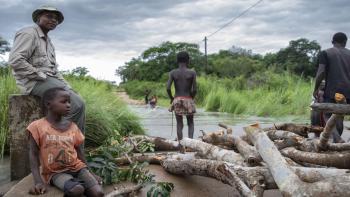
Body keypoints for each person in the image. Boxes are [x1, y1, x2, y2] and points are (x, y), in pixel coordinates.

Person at [9, 5, 86, 136]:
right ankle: (56, 142)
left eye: (56, 19)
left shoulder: (49, 42)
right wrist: (40, 75)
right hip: (33, 81)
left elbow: (54, 70)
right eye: (49, 16)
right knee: (75, 104)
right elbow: (16, 60)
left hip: (48, 80)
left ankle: (75, 148)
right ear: (39, 18)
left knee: (80, 101)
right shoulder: (29, 33)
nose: (53, 20)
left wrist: (68, 86)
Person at [27, 87, 103, 196]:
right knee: (77, 190)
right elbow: (33, 154)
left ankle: (80, 182)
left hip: (77, 168)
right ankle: (75, 184)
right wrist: (38, 182)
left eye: (69, 102)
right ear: (49, 104)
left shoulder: (72, 127)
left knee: (98, 193)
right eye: (63, 102)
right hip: (55, 172)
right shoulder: (37, 127)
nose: (68, 105)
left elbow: (79, 152)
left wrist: (91, 173)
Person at [313, 32, 350, 142]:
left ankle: (337, 139)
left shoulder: (326, 53)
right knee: (340, 116)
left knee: (327, 114)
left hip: (332, 92)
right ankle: (337, 142)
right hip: (348, 92)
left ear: (333, 42)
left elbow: (321, 72)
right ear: (345, 42)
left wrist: (316, 89)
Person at [167, 51, 197, 150]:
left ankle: (181, 147)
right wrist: (191, 98)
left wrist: (172, 99)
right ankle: (190, 146)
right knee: (190, 123)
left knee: (179, 124)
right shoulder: (192, 72)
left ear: (177, 61)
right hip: (188, 98)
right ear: (188, 60)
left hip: (177, 99)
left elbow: (168, 88)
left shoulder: (173, 73)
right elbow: (194, 89)